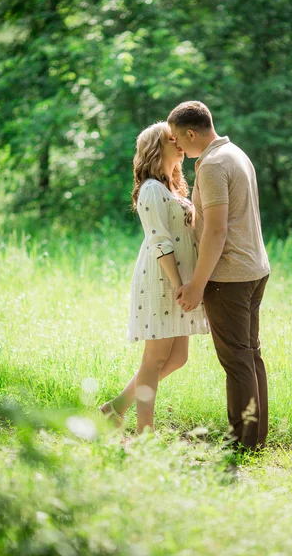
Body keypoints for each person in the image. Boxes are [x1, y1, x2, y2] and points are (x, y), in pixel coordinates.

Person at [168, 101, 271, 451]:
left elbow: (216, 231)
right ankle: (255, 436)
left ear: (192, 133)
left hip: (229, 277)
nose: (179, 149)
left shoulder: (211, 166)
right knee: (249, 353)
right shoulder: (236, 154)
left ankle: (243, 441)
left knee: (236, 360)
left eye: (180, 141)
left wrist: (197, 283)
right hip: (255, 269)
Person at [99, 121, 209, 433]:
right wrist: (180, 286)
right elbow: (160, 241)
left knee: (178, 357)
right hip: (161, 280)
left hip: (180, 280)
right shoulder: (150, 189)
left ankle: (115, 408)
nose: (179, 143)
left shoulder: (171, 188)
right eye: (171, 139)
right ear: (156, 148)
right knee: (155, 360)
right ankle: (144, 435)